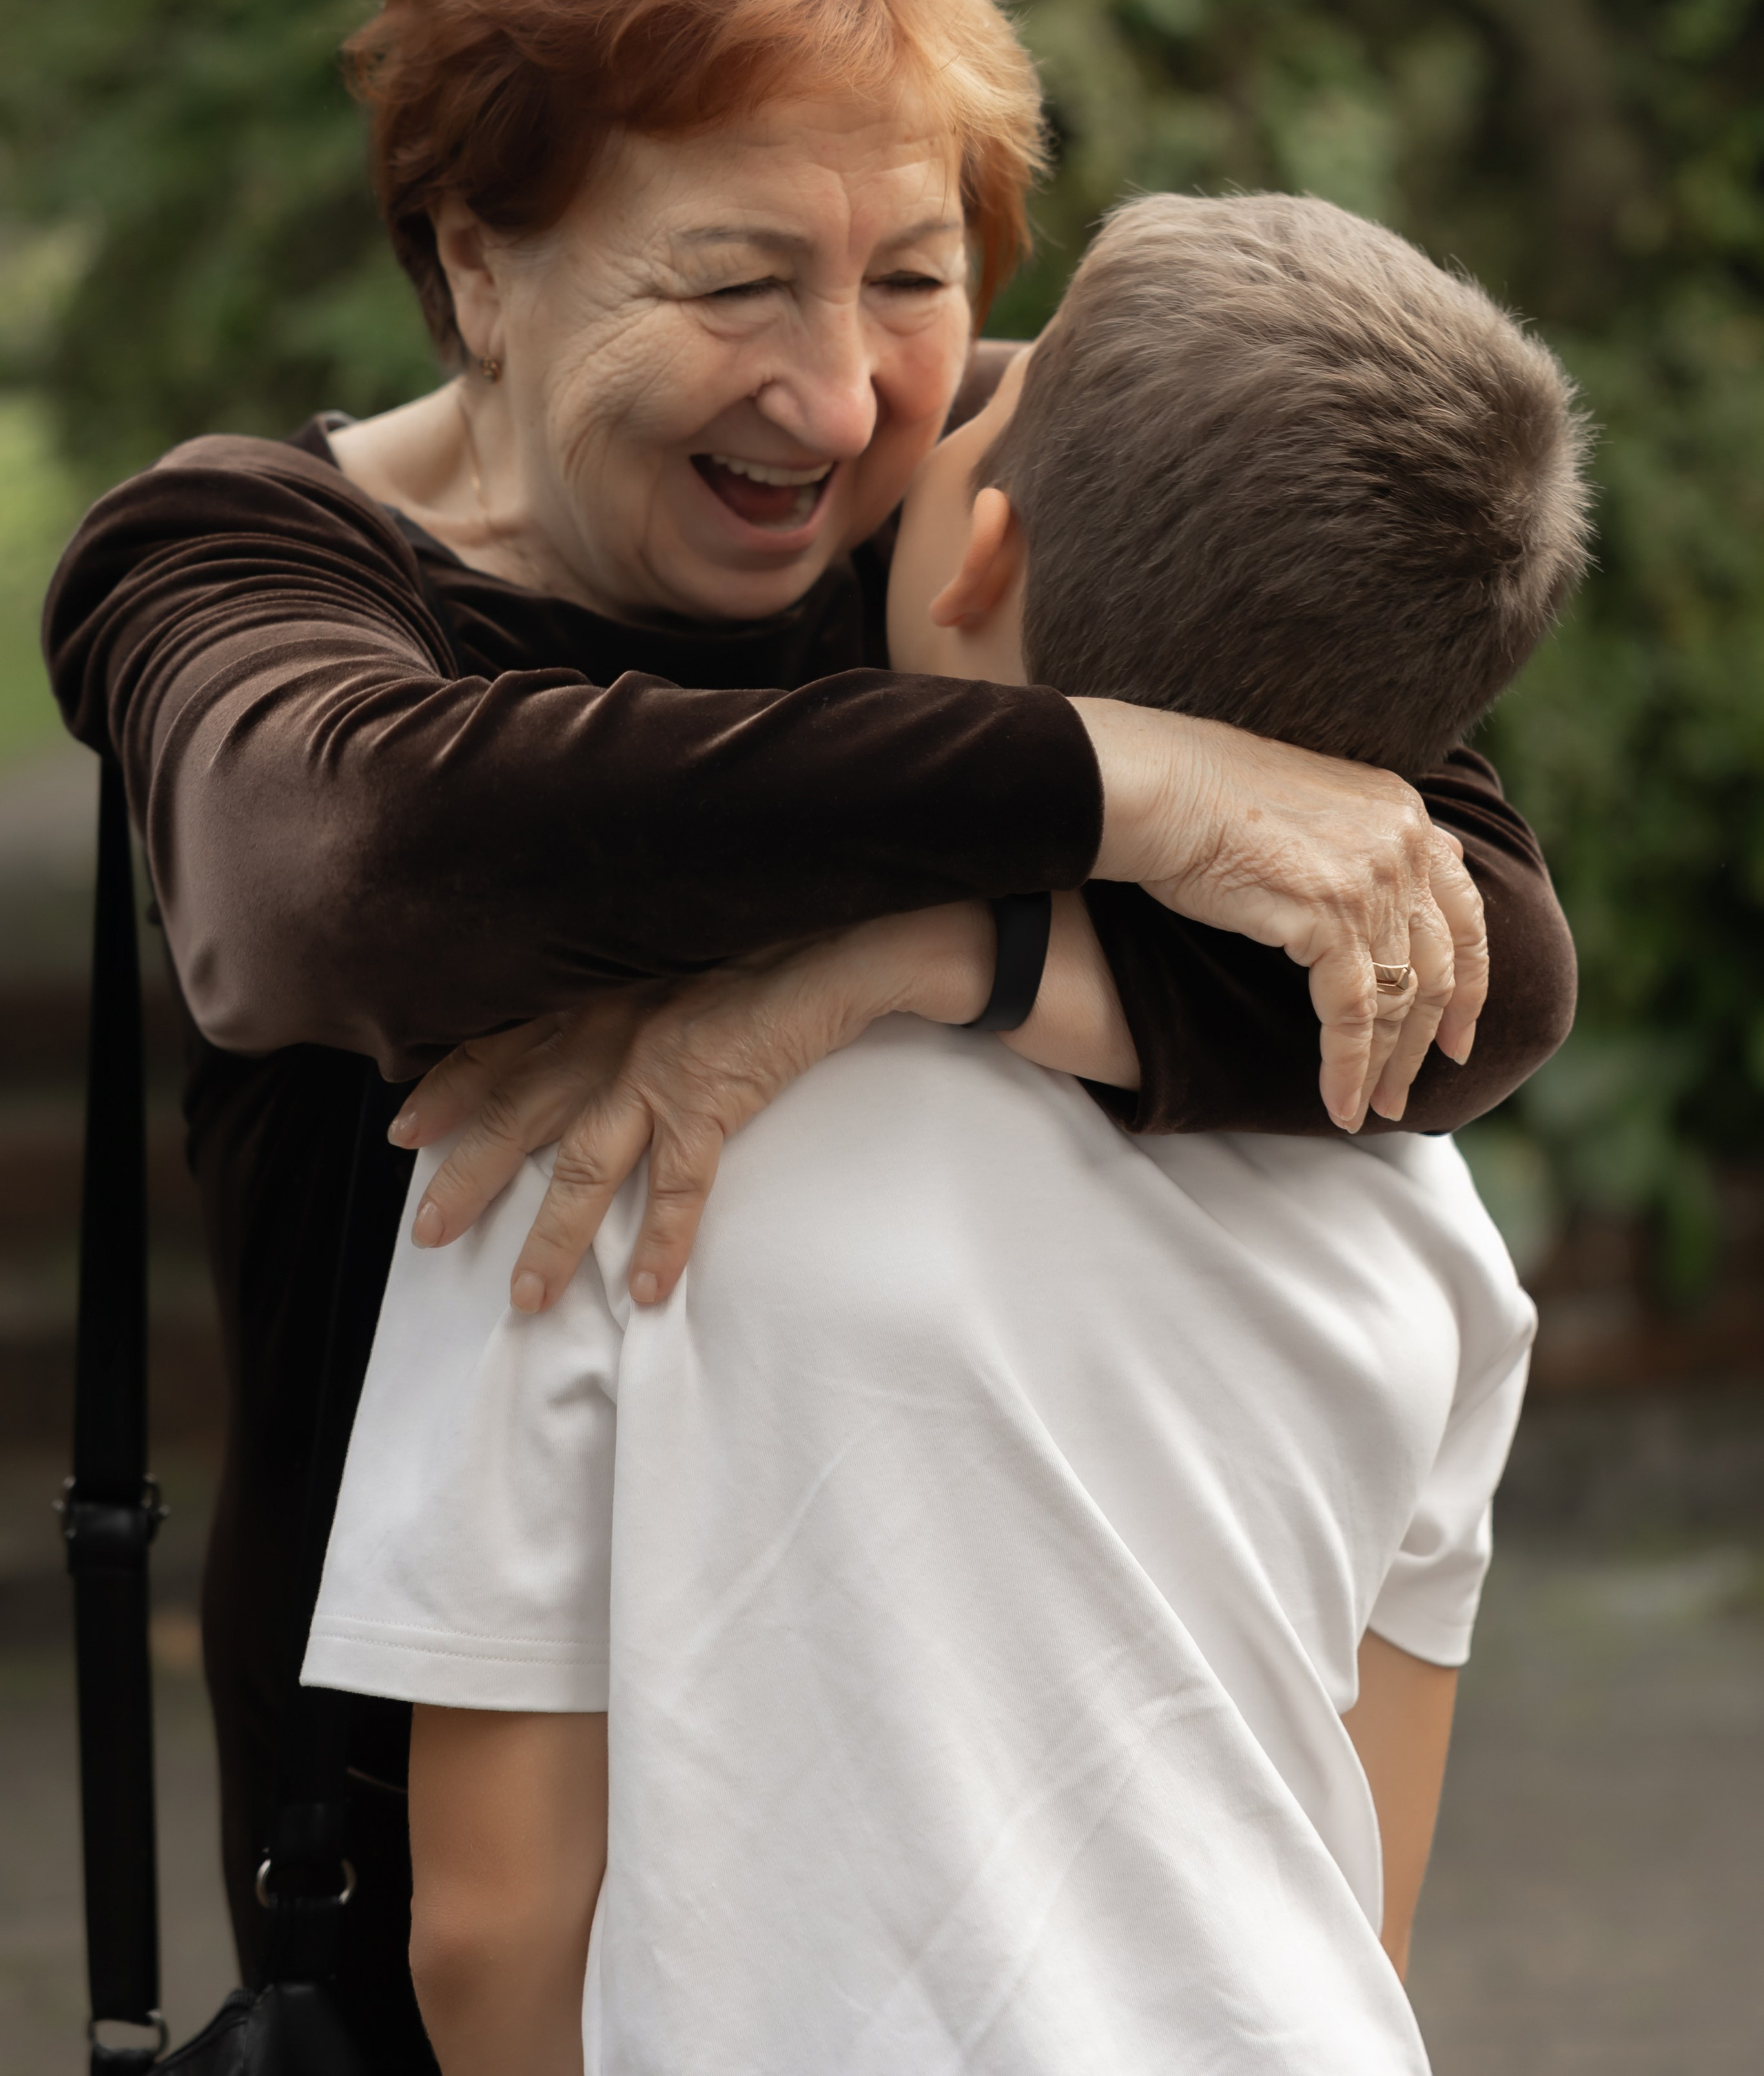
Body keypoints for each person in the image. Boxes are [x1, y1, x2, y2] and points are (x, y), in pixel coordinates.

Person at [43, 0, 1570, 2070]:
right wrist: (1118, 783)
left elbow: (1473, 957)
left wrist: (917, 950)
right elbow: (328, 880)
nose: (846, 391)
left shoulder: (969, 507)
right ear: (479, 262)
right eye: (735, 278)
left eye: (920, 274)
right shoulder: (254, 568)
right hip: (456, 1963)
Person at [308, 192, 1586, 2075]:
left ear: (977, 550)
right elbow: (1352, 1901)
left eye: (987, 385)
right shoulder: (1428, 1212)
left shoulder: (603, 1112)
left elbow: (495, 1936)